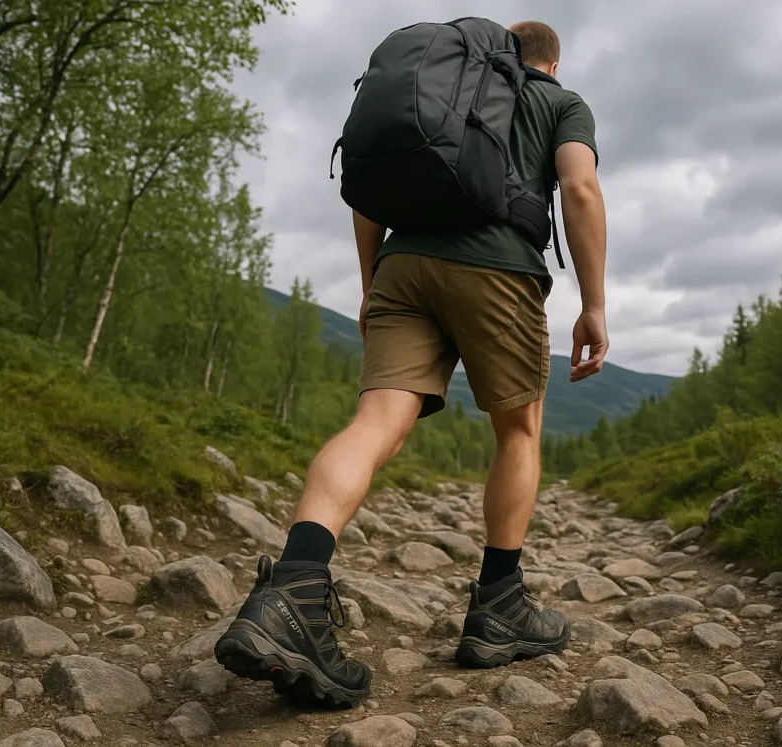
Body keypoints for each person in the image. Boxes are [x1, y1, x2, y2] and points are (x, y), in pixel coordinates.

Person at [214, 19, 607, 707]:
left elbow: (370, 191)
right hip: (498, 267)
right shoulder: (559, 100)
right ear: (552, 62)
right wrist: (594, 303)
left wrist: (372, 288)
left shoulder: (443, 88)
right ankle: (499, 604)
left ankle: (295, 589)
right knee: (518, 431)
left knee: (374, 424)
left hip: (403, 265)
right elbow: (578, 189)